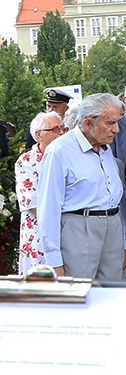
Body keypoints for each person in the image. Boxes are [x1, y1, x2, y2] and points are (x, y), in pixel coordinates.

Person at [36, 94, 126, 280]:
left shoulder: (104, 148)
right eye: (110, 123)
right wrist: (54, 260)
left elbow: (116, 199)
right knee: (80, 295)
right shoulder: (60, 151)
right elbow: (48, 208)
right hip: (79, 229)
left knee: (110, 294)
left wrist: (124, 243)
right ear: (88, 123)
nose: (116, 129)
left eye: (117, 122)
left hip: (112, 227)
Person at [15, 112, 66, 274]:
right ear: (39, 135)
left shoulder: (67, 156)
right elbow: (32, 203)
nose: (62, 133)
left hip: (69, 229)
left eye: (63, 129)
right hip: (39, 232)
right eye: (55, 129)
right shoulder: (26, 161)